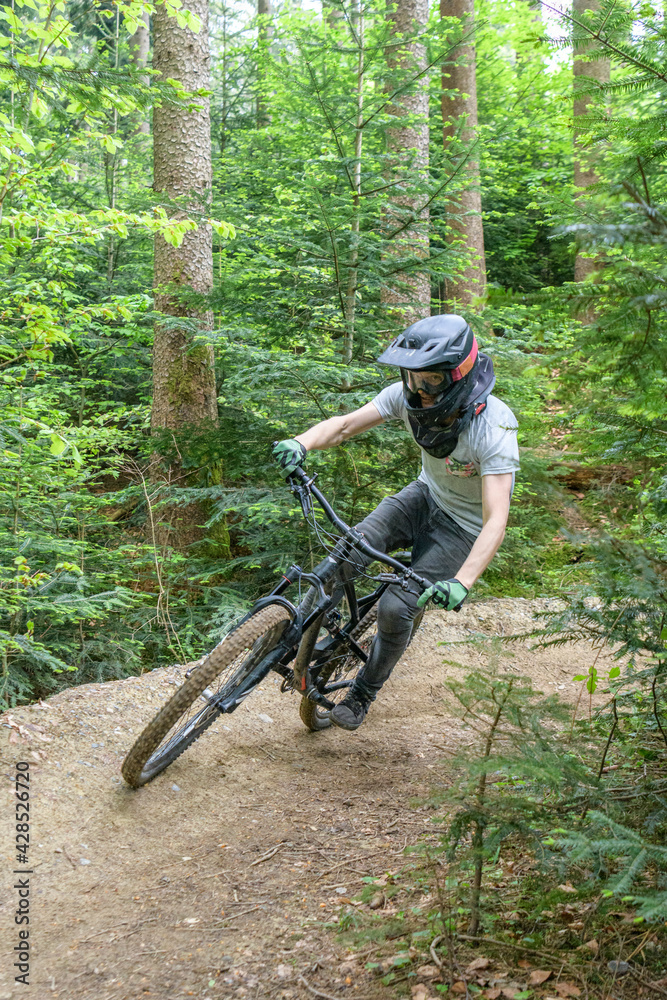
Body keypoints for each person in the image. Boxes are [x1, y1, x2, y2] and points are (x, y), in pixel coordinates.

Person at [272, 314, 519, 731]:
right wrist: (302, 441)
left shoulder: (494, 425)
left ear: (458, 375)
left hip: (464, 527)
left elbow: (498, 517)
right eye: (412, 378)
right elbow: (346, 425)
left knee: (395, 608)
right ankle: (299, 633)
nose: (419, 392)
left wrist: (464, 581)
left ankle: (363, 691)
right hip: (423, 497)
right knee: (345, 554)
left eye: (431, 382)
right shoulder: (405, 397)